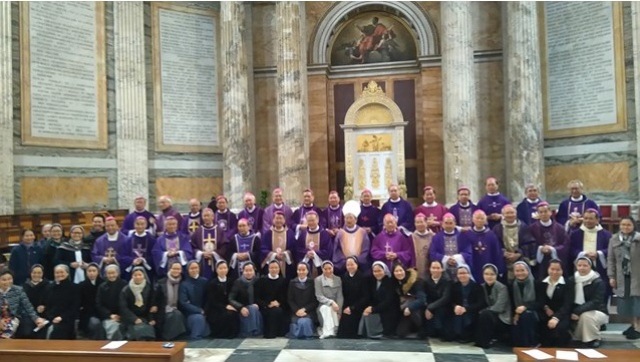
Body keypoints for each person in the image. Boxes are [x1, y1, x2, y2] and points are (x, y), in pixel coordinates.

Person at [607, 216, 640, 340]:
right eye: (623, 225)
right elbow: (611, 259)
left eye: (628, 225)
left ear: (633, 226)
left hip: (637, 276)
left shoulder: (638, 239)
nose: (625, 227)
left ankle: (638, 327)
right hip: (622, 277)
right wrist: (611, 276)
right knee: (627, 303)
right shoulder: (614, 239)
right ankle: (633, 325)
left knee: (637, 302)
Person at [569, 257, 608, 348]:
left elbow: (596, 302)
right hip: (575, 311)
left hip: (598, 310)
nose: (582, 268)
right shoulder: (572, 280)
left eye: (585, 265)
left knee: (586, 316)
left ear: (590, 266)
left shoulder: (598, 281)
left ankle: (594, 338)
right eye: (579, 265)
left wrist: (577, 311)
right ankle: (580, 338)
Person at [443, 265, 485, 343]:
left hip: (472, 311)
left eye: (464, 273)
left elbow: (481, 303)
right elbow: (450, 300)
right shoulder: (455, 286)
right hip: (457, 310)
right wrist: (455, 306)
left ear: (469, 274)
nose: (462, 275)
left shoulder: (477, 287)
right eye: (460, 273)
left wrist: (466, 309)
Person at [493, 205, 535, 281]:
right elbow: (494, 244)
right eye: (507, 213)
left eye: (512, 212)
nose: (510, 215)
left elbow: (530, 243)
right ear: (503, 215)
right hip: (504, 262)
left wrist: (519, 253)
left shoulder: (523, 227)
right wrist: (503, 252)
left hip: (520, 260)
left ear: (516, 214)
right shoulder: (497, 228)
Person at [0, 269, 46, 339]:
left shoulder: (18, 290)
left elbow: (28, 306)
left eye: (10, 279)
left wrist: (36, 318)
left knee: (6, 335)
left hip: (13, 318)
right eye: (4, 280)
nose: (7, 282)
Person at [537, 259, 573, 347]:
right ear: (548, 269)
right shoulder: (541, 282)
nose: (554, 272)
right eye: (552, 269)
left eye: (558, 270)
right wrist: (545, 308)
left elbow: (567, 304)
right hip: (546, 312)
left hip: (562, 313)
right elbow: (540, 299)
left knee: (560, 328)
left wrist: (556, 318)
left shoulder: (568, 283)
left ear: (562, 271)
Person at [528, 202, 569, 279]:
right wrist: (540, 249)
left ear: (550, 212)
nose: (543, 214)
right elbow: (530, 244)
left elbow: (565, 244)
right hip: (540, 263)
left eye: (546, 211)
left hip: (555, 260)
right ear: (538, 214)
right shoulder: (532, 228)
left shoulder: (560, 228)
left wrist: (553, 249)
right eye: (541, 212)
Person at [359, 261, 399, 339]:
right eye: (375, 271)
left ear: (384, 271)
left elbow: (388, 301)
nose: (377, 273)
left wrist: (373, 309)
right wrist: (370, 307)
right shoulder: (372, 281)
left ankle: (380, 332)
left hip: (389, 310)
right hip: (378, 308)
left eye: (379, 271)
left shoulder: (390, 282)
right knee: (366, 313)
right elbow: (372, 298)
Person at [475, 263, 511, 349]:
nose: (489, 277)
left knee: (485, 314)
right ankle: (479, 340)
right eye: (486, 274)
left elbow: (499, 307)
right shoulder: (482, 286)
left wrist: (486, 310)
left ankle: (485, 342)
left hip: (502, 316)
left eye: (492, 274)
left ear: (496, 275)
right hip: (490, 314)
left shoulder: (502, 288)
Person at [462, 210, 505, 282]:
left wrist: (500, 268)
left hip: (489, 266)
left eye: (482, 218)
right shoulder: (467, 235)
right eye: (477, 218)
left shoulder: (491, 235)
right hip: (473, 267)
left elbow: (497, 252)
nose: (479, 220)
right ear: (473, 219)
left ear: (485, 220)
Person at [569, 209, 611, 282]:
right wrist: (583, 254)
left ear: (597, 220)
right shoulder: (575, 234)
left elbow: (610, 249)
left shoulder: (606, 234)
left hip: (599, 266)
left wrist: (598, 253)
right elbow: (571, 249)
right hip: (581, 266)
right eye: (586, 218)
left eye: (591, 218)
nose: (588, 221)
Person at [120, 266, 159, 341]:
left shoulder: (149, 288)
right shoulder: (126, 290)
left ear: (143, 276)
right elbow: (123, 308)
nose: (137, 277)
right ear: (132, 276)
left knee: (148, 332)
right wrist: (134, 319)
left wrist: (151, 319)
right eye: (135, 275)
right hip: (130, 318)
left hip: (145, 317)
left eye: (140, 275)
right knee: (137, 333)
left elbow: (151, 305)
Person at [429, 213, 472, 281]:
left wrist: (456, 258)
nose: (448, 225)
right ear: (442, 224)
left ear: (455, 224)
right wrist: (446, 259)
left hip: (460, 269)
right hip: (444, 270)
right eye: (446, 223)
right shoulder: (437, 237)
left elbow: (468, 252)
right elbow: (433, 253)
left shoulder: (462, 236)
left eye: (450, 223)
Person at [332, 202, 370, 275]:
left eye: (351, 218)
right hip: (344, 266)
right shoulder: (340, 233)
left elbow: (366, 249)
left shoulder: (362, 232)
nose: (348, 220)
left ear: (356, 220)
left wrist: (356, 261)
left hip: (359, 265)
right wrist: (346, 261)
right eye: (346, 218)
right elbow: (337, 249)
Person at [44, 264, 80, 339]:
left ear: (67, 273)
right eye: (57, 273)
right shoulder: (49, 287)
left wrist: (61, 317)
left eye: (62, 272)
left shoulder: (74, 288)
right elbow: (47, 306)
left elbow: (74, 307)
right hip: (51, 318)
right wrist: (51, 317)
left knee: (56, 331)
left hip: (67, 319)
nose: (59, 274)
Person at [205, 260, 239, 339]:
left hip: (230, 305)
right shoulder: (212, 283)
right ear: (216, 270)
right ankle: (222, 335)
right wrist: (225, 306)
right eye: (220, 268)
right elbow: (212, 300)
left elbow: (235, 296)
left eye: (225, 268)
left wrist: (231, 305)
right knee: (224, 315)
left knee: (233, 313)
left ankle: (232, 334)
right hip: (215, 308)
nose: (223, 270)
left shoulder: (232, 281)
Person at [191, 208, 227, 280]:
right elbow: (192, 246)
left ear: (213, 217)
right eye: (204, 216)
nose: (206, 218)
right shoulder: (198, 231)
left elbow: (224, 245)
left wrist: (214, 253)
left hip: (216, 261)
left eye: (208, 216)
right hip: (202, 261)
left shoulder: (219, 230)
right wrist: (201, 253)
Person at [510, 261, 540, 347]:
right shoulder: (512, 285)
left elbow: (540, 303)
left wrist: (526, 307)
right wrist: (516, 313)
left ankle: (529, 344)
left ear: (528, 271)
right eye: (517, 271)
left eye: (522, 270)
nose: (520, 273)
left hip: (534, 311)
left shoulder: (536, 283)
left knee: (526, 315)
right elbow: (511, 303)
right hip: (517, 312)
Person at [256, 260, 289, 338]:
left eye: (276, 268)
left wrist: (279, 303)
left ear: (279, 269)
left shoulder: (284, 281)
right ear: (268, 269)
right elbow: (257, 297)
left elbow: (287, 296)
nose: (274, 270)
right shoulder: (261, 281)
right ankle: (270, 333)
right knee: (272, 312)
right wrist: (268, 304)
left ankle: (279, 332)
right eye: (272, 268)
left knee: (278, 310)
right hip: (265, 306)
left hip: (281, 306)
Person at [154, 262, 186, 341]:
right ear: (170, 269)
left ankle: (171, 337)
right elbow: (155, 297)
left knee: (177, 314)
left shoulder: (183, 282)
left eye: (178, 269)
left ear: (181, 270)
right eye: (174, 268)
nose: (176, 271)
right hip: (163, 308)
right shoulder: (161, 282)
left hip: (179, 307)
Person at [393, 263, 426, 338]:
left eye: (400, 270)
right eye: (396, 271)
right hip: (404, 310)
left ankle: (422, 328)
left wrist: (410, 307)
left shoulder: (417, 282)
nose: (399, 273)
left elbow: (422, 299)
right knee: (400, 333)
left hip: (419, 309)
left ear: (405, 270)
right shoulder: (397, 283)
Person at [229, 262, 263, 337]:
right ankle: (252, 332)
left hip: (256, 308)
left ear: (254, 271)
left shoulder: (258, 281)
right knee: (251, 309)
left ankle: (254, 331)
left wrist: (258, 304)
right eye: (246, 270)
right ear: (243, 271)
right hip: (243, 308)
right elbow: (231, 299)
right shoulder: (238, 282)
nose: (248, 273)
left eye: (250, 270)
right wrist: (240, 307)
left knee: (253, 308)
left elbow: (262, 297)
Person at [337, 256, 368, 338]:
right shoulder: (344, 277)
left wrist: (352, 308)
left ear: (357, 265)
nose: (350, 266)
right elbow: (343, 295)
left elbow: (365, 297)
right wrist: (345, 308)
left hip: (359, 306)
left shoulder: (363, 277)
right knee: (342, 332)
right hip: (347, 307)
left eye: (352, 264)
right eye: (348, 265)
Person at [296, 211, 333, 277]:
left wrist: (315, 254)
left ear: (317, 220)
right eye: (309, 221)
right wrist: (306, 253)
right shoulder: (303, 234)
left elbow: (328, 250)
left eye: (313, 220)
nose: (311, 223)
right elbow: (298, 248)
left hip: (320, 266)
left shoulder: (324, 234)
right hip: (307, 265)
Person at [179, 261, 210, 340]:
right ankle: (195, 338)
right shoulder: (184, 284)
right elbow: (183, 302)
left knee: (207, 332)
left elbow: (208, 298)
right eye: (191, 268)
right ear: (188, 270)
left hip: (205, 312)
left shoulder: (204, 281)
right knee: (198, 319)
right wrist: (199, 310)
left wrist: (205, 310)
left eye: (196, 268)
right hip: (191, 314)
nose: (194, 270)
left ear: (199, 269)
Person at [260, 211, 296, 279]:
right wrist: (274, 255)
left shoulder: (290, 233)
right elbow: (263, 248)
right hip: (271, 263)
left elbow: (294, 248)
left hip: (286, 263)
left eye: (281, 218)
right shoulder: (267, 234)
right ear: (273, 220)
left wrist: (285, 254)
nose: (278, 220)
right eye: (276, 218)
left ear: (284, 220)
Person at [96, 264, 128, 340]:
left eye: (113, 273)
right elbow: (99, 304)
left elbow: (127, 302)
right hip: (108, 316)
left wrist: (121, 315)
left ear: (117, 273)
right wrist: (110, 315)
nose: (111, 275)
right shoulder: (102, 287)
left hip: (123, 315)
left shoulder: (125, 284)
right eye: (109, 273)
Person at [287, 262, 318, 339]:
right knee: (295, 323)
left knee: (304, 322)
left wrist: (304, 309)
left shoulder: (312, 282)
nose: (301, 272)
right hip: (295, 311)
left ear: (307, 271)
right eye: (299, 270)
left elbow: (314, 301)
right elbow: (290, 300)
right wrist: (297, 310)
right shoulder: (292, 282)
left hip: (308, 311)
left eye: (303, 270)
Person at [315, 261, 343, 339]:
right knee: (326, 308)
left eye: (330, 268)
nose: (328, 271)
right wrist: (331, 302)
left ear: (333, 268)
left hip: (337, 306)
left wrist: (339, 311)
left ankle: (331, 331)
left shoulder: (338, 279)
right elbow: (319, 296)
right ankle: (327, 332)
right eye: (325, 269)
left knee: (333, 310)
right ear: (322, 269)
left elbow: (340, 296)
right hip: (323, 304)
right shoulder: (318, 280)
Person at [424, 260, 451, 339]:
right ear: (430, 269)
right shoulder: (426, 281)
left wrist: (430, 307)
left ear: (442, 269)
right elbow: (426, 296)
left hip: (444, 307)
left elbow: (445, 298)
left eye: (438, 268)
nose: (435, 270)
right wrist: (427, 306)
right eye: (433, 268)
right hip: (430, 306)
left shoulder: (447, 281)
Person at [125, 216, 156, 280]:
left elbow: (154, 255)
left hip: (147, 269)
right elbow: (124, 255)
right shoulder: (128, 240)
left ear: (146, 225)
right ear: (134, 225)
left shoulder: (151, 240)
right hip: (132, 268)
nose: (140, 226)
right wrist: (132, 260)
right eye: (137, 224)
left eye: (142, 224)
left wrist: (144, 260)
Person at [22, 264, 50, 334]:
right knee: (27, 330)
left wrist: (44, 307)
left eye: (39, 273)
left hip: (44, 315)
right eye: (34, 272)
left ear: (43, 274)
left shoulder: (49, 286)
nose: (36, 275)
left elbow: (52, 302)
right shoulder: (24, 286)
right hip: (28, 315)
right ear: (30, 273)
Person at [78, 263, 104, 339]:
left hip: (102, 312)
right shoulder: (81, 285)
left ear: (98, 272)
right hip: (88, 313)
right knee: (94, 323)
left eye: (94, 271)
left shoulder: (103, 284)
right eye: (89, 271)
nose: (91, 273)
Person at [409, 213, 434, 278]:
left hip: (430, 268)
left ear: (426, 223)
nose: (419, 224)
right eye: (417, 222)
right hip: (416, 268)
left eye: (421, 222)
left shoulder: (433, 236)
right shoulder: (411, 238)